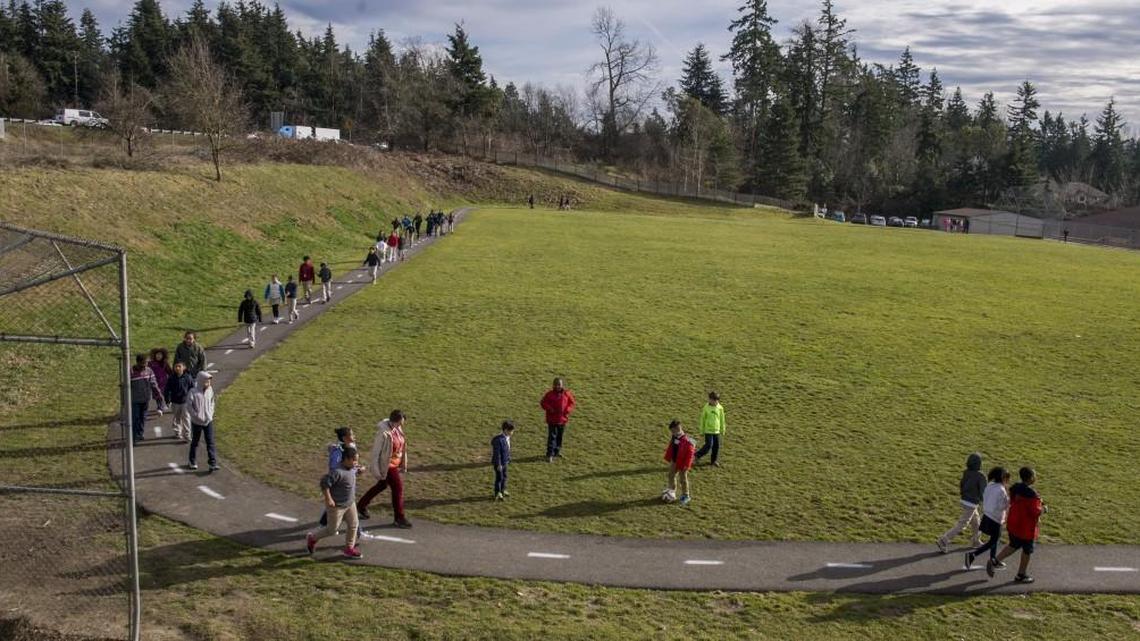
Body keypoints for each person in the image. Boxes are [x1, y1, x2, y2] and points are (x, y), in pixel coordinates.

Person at [987, 467, 1045, 583]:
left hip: (1014, 523)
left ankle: (995, 560)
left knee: (1013, 545)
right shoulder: (1032, 495)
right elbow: (1035, 512)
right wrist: (1044, 509)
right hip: (1026, 528)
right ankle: (1021, 574)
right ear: (1031, 478)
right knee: (1027, 550)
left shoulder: (1015, 489)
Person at [306, 444, 363, 559]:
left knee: (353, 525)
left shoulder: (351, 468)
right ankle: (312, 538)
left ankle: (349, 548)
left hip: (350, 503)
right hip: (337, 506)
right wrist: (329, 498)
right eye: (354, 460)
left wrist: (359, 471)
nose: (356, 463)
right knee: (332, 530)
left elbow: (352, 473)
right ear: (347, 459)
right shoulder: (337, 472)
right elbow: (324, 483)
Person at [357, 410, 412, 528]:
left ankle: (361, 506)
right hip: (387, 466)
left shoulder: (397, 428)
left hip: (395, 464)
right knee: (398, 488)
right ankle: (399, 517)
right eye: (400, 423)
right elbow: (376, 453)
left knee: (381, 485)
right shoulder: (383, 433)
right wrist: (376, 470)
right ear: (394, 421)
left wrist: (403, 463)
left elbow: (403, 447)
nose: (401, 425)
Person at [937, 453, 986, 553]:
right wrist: (984, 501)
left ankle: (976, 540)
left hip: (964, 500)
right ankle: (944, 540)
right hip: (972, 503)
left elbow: (962, 484)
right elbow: (983, 491)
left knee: (976, 520)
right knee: (963, 523)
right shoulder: (980, 476)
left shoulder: (966, 472)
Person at [319, 427, 366, 528]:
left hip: (348, 480)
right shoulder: (338, 452)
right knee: (346, 504)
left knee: (341, 504)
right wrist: (354, 471)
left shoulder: (351, 446)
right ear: (345, 438)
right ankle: (357, 531)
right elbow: (336, 469)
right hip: (340, 482)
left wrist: (357, 468)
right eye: (352, 434)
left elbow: (351, 463)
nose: (354, 436)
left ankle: (324, 524)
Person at [965, 466, 1011, 570]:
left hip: (987, 516)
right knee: (993, 541)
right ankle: (972, 555)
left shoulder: (989, 485)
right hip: (996, 519)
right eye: (1007, 479)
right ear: (1004, 478)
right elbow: (1001, 506)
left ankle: (993, 560)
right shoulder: (1001, 490)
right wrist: (1008, 501)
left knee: (993, 539)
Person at [187, 371, 218, 472]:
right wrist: (196, 416)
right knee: (195, 442)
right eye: (206, 381)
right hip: (197, 422)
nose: (208, 383)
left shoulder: (210, 390)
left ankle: (212, 463)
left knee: (210, 442)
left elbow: (212, 402)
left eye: (209, 381)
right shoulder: (193, 392)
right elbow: (189, 406)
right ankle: (192, 461)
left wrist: (211, 413)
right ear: (200, 381)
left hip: (208, 421)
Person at [129, 353, 163, 444]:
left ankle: (140, 434)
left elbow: (154, 384)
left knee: (142, 418)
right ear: (138, 362)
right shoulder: (131, 372)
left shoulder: (149, 371)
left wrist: (159, 395)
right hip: (135, 400)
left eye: (146, 363)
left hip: (145, 399)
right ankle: (134, 437)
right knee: (135, 418)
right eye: (143, 363)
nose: (145, 365)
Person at [540, 377, 576, 462]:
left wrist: (568, 410)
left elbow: (572, 403)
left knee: (559, 437)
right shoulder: (549, 394)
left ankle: (557, 451)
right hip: (552, 420)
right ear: (553, 385)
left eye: (559, 384)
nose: (557, 386)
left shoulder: (567, 393)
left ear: (562, 385)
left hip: (562, 420)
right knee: (552, 437)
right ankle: (550, 454)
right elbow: (543, 403)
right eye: (556, 384)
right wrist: (549, 409)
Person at [662, 419, 696, 506]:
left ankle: (686, 495)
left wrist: (686, 465)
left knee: (683, 480)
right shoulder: (674, 437)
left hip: (683, 464)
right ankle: (672, 491)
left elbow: (690, 455)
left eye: (673, 431)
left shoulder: (689, 441)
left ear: (678, 429)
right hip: (674, 461)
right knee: (671, 475)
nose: (672, 433)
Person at [694, 391, 726, 467]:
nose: (714, 402)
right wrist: (702, 430)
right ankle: (697, 455)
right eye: (712, 400)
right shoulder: (706, 408)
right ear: (709, 399)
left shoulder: (720, 408)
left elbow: (722, 419)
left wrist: (722, 429)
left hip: (716, 431)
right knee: (708, 445)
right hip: (708, 430)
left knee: (716, 446)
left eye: (716, 400)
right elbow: (703, 419)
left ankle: (713, 461)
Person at [165, 361, 195, 442]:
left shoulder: (188, 377)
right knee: (176, 418)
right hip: (175, 402)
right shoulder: (171, 378)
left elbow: (192, 389)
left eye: (179, 366)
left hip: (185, 402)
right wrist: (167, 400)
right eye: (176, 366)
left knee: (186, 418)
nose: (177, 368)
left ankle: (187, 435)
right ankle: (178, 432)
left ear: (184, 368)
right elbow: (167, 390)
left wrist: (193, 399)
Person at [491, 420, 515, 500]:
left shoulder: (507, 438)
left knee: (504, 476)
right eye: (511, 431)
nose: (512, 433)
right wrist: (499, 464)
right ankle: (497, 492)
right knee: (499, 478)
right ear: (505, 430)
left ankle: (503, 490)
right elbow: (497, 454)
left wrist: (508, 458)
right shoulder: (499, 440)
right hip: (499, 464)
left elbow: (507, 449)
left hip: (505, 462)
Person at [148, 347, 172, 412]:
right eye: (157, 354)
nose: (158, 356)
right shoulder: (151, 363)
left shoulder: (165, 363)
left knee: (165, 393)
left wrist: (172, 378)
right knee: (157, 395)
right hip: (155, 382)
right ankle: (159, 407)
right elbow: (148, 371)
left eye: (160, 355)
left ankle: (167, 402)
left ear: (163, 356)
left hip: (164, 382)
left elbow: (170, 372)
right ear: (154, 355)